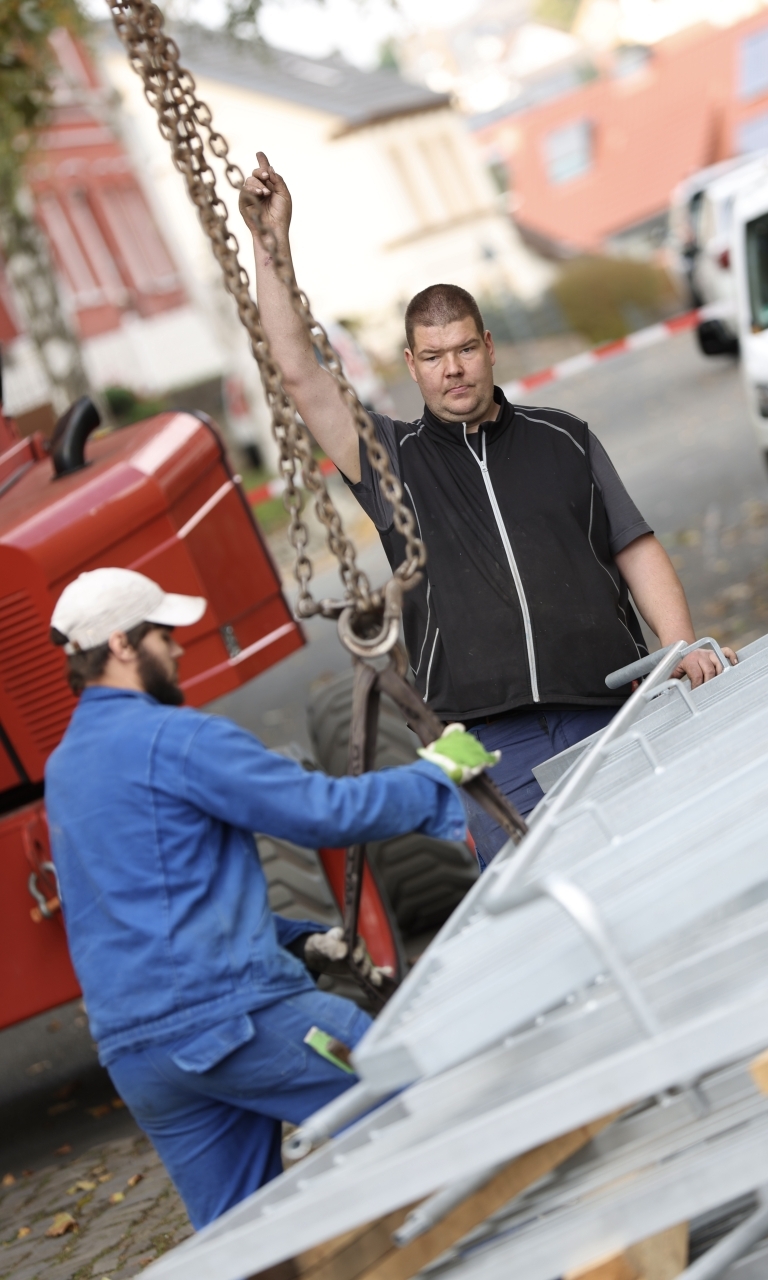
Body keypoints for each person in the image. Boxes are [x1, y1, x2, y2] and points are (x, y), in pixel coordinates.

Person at [240, 153, 736, 867]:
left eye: (466, 348)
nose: (454, 369)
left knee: (659, 870)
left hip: (612, 704)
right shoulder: (390, 459)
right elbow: (296, 371)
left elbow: (634, 546)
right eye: (435, 355)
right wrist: (269, 243)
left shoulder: (565, 437)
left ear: (489, 348)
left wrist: (682, 646)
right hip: (486, 741)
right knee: (540, 913)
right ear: (411, 365)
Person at [44, 568, 491, 1229]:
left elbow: (139, 900)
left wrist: (293, 939)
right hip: (232, 1025)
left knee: (244, 1240)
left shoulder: (66, 768)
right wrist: (435, 775)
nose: (180, 649)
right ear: (122, 645)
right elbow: (319, 812)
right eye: (165, 634)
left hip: (140, 1059)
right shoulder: (178, 738)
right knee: (419, 1098)